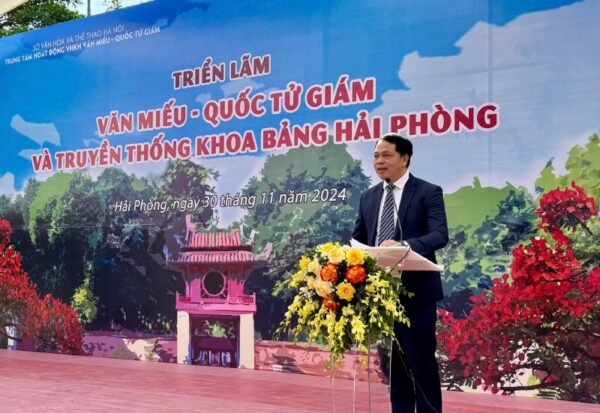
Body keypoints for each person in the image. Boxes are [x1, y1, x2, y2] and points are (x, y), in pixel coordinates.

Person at [352, 133, 449, 413]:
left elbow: (439, 235)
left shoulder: (428, 192)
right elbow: (359, 239)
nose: (379, 162)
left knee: (421, 364)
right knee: (396, 367)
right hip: (381, 296)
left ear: (404, 158)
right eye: (375, 156)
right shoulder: (369, 197)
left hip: (417, 293)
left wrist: (404, 246)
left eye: (386, 155)